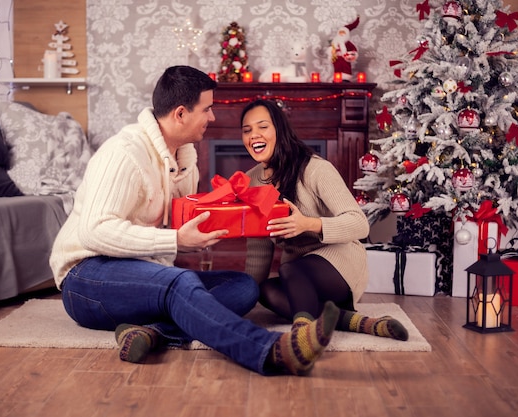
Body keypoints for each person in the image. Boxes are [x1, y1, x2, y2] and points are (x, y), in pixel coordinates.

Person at [49, 66, 340, 376]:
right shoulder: (123, 154)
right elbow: (94, 232)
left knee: (242, 287)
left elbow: (178, 221)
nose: (212, 118)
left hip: (143, 276)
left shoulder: (184, 159)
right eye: (207, 109)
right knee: (182, 282)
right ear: (180, 114)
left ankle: (153, 332)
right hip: (86, 279)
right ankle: (272, 351)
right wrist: (176, 240)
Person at [240, 99, 408, 341]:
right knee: (265, 290)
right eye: (247, 130)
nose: (254, 135)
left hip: (341, 264)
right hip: (300, 275)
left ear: (279, 129)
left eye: (262, 127)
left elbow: (359, 223)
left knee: (290, 270)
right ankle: (358, 322)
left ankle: (303, 339)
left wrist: (308, 224)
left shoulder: (315, 169)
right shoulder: (251, 180)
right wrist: (244, 298)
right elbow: (258, 249)